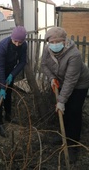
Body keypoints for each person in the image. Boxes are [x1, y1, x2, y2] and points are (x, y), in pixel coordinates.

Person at [41, 27, 89, 163]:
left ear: (65, 40)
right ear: (48, 42)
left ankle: (73, 145)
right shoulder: (47, 49)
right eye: (52, 41)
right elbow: (44, 65)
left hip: (80, 84)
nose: (55, 44)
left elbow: (71, 80)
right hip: (61, 81)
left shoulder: (74, 54)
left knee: (73, 111)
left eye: (58, 41)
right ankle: (64, 135)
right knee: (63, 111)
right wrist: (51, 78)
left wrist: (61, 100)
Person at [0, 26, 27, 137]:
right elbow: (0, 67)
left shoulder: (23, 46)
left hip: (10, 69)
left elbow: (23, 62)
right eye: (15, 41)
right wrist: (1, 87)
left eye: (20, 42)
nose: (17, 44)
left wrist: (12, 74)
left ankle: (8, 115)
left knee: (9, 92)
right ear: (12, 38)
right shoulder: (3, 46)